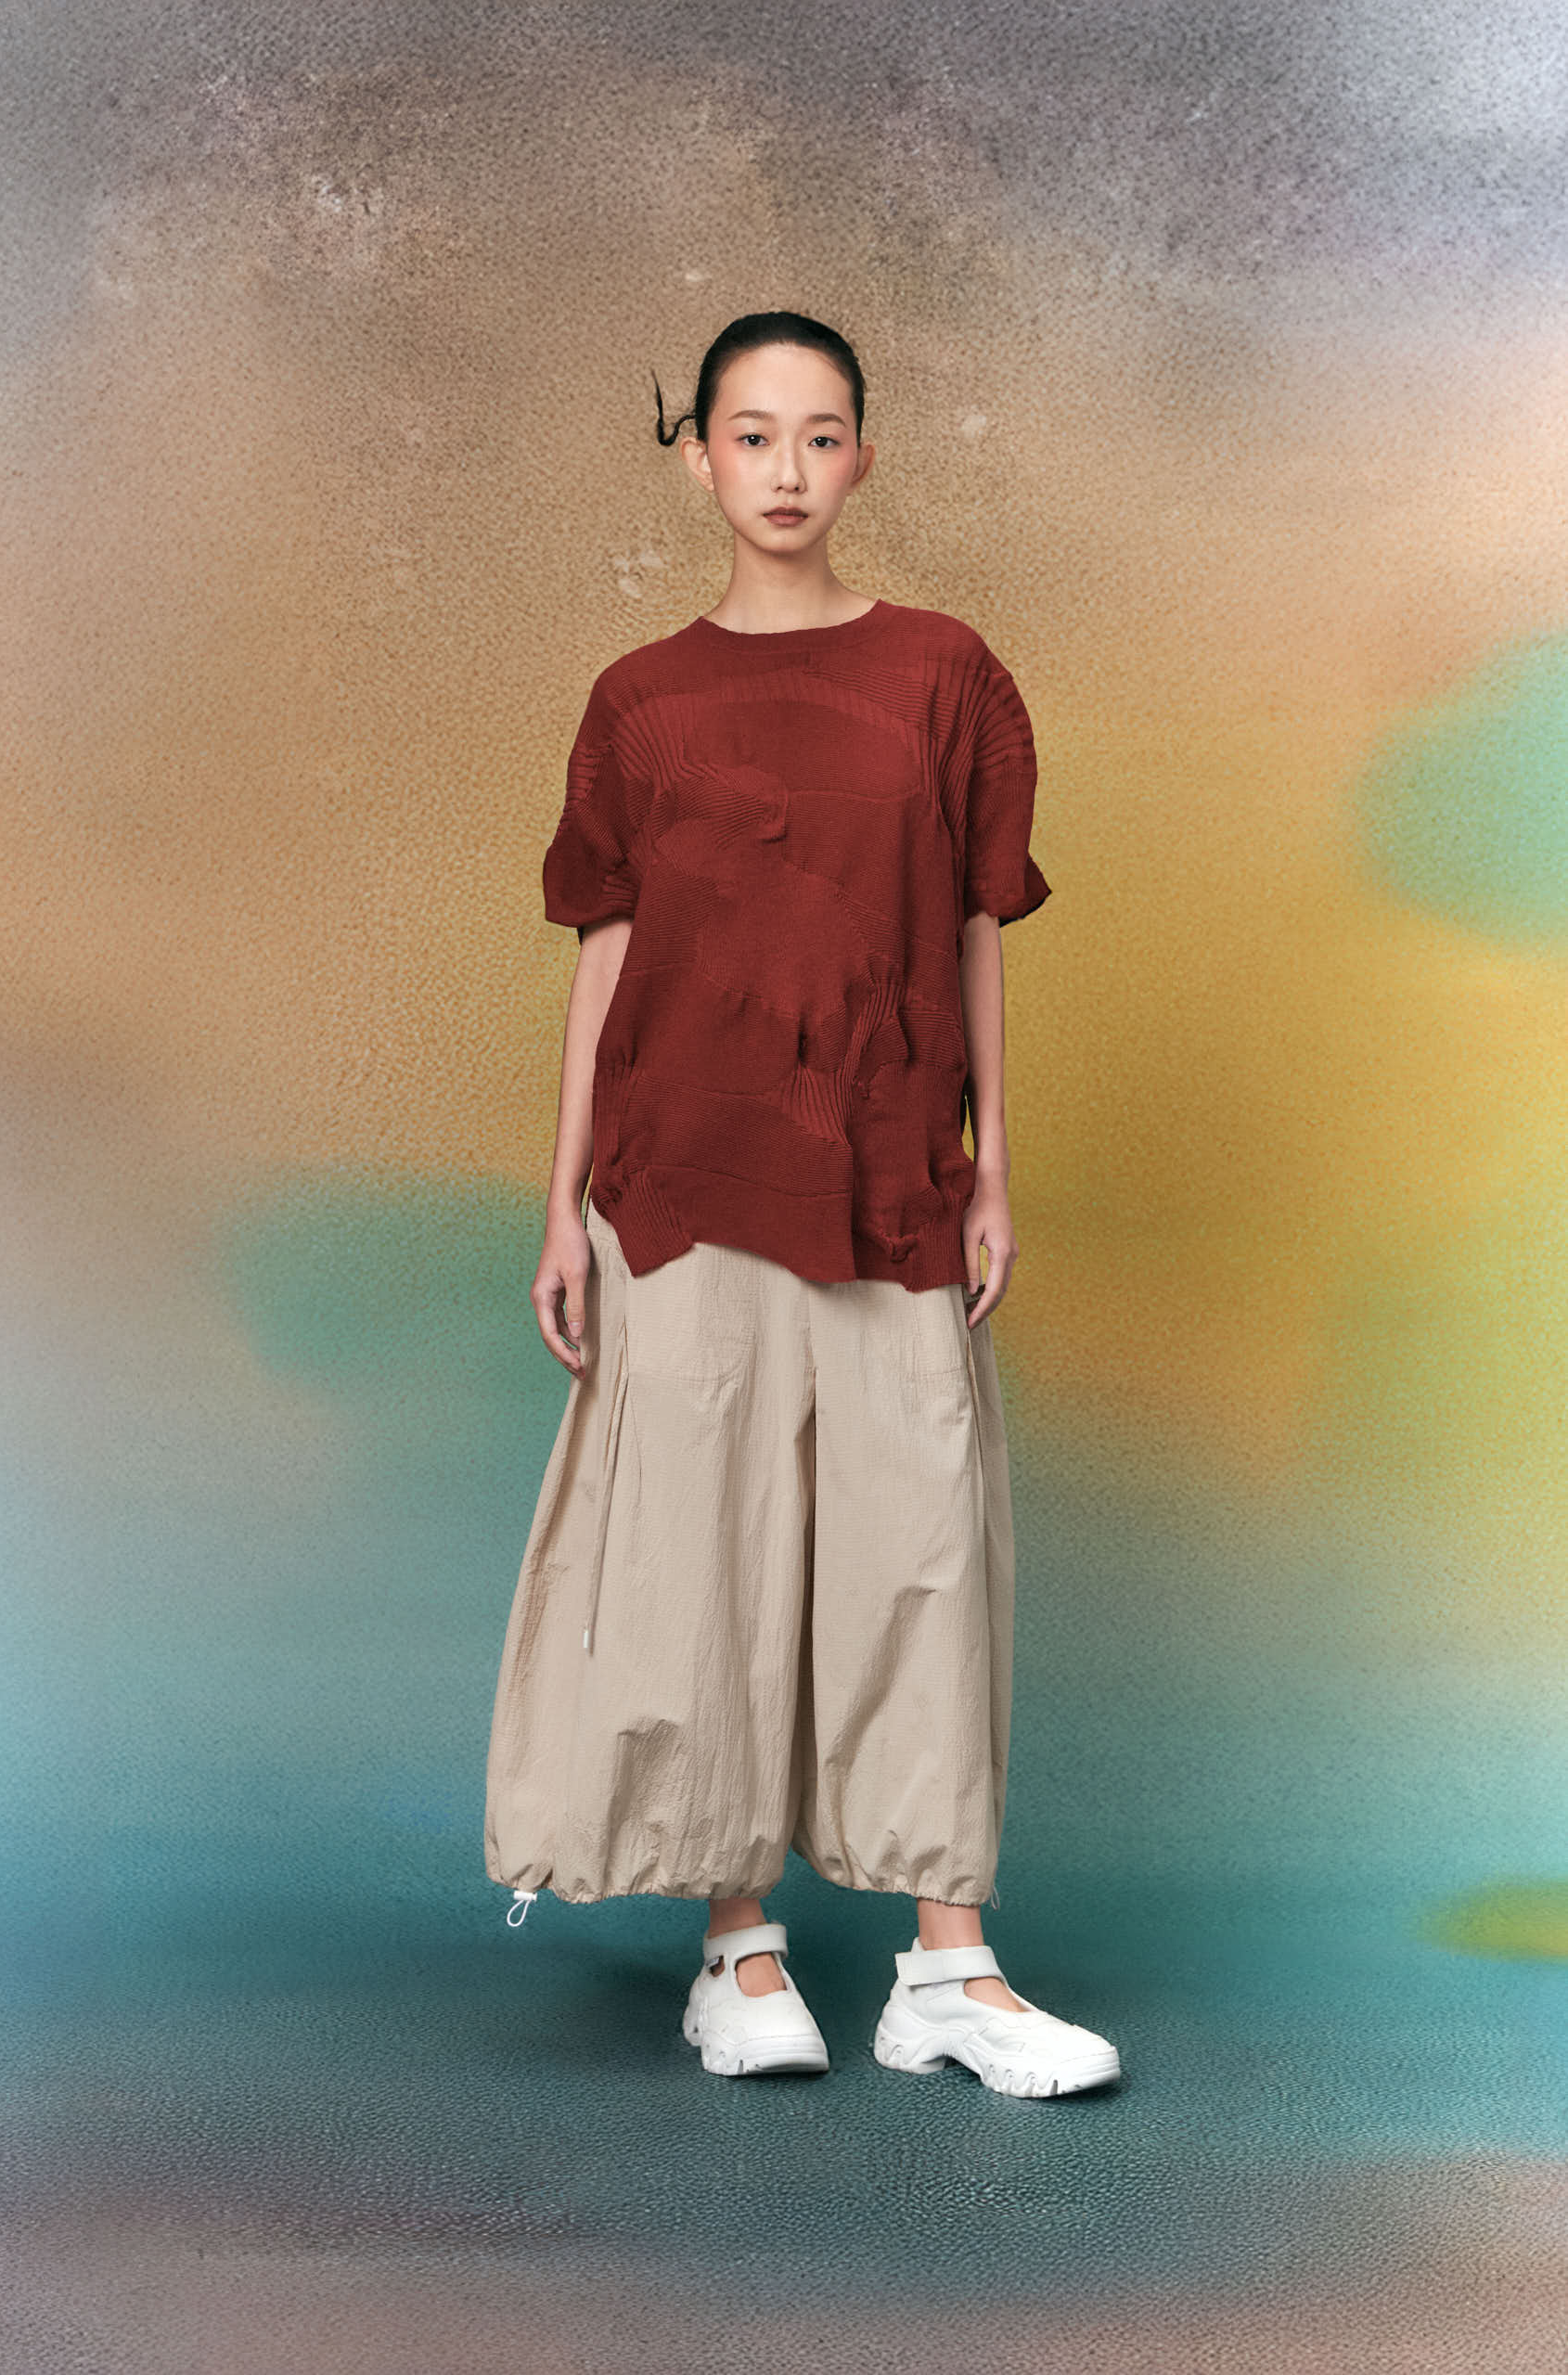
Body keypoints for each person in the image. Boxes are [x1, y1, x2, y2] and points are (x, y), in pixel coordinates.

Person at [484, 310, 1121, 2100]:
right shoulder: (640, 701)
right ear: (698, 455)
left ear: (863, 456)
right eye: (751, 435)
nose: (785, 470)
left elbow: (977, 924)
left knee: (922, 1549)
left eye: (819, 435)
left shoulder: (945, 674)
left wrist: (994, 1165)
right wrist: (561, 1206)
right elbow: (607, 953)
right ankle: (738, 1947)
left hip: (890, 1170)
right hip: (680, 1183)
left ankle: (949, 1966)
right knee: (710, 1551)